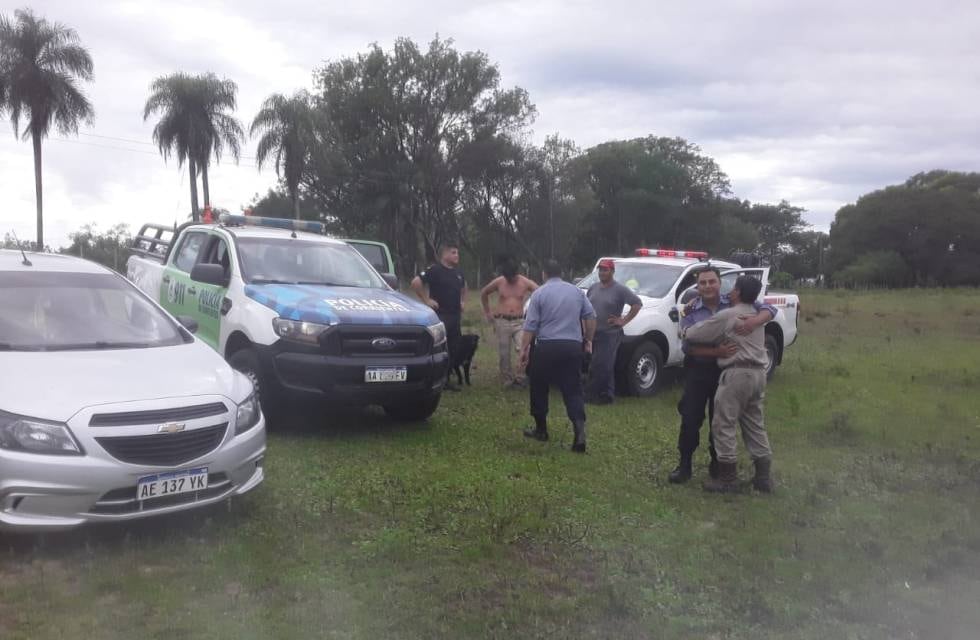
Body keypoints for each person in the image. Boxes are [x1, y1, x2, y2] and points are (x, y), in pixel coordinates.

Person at [667, 266, 776, 484]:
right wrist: (716, 352)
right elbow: (688, 346)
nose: (707, 286)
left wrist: (754, 321)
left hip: (727, 372)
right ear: (697, 286)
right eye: (702, 283)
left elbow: (769, 309)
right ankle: (684, 465)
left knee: (721, 420)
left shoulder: (733, 303)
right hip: (699, 370)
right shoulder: (690, 309)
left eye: (712, 281)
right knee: (690, 419)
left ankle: (719, 468)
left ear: (720, 284)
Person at [520, 260, 596, 453]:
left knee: (539, 387)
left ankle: (541, 430)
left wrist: (524, 349)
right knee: (573, 390)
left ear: (544, 274)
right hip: (571, 347)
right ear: (561, 273)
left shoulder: (539, 294)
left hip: (546, 347)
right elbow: (591, 316)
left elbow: (530, 325)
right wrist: (588, 340)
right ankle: (579, 435)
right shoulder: (577, 292)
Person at [585, 259, 642, 404]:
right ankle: (608, 395)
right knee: (604, 365)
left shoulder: (620, 289)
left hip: (610, 334)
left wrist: (623, 320)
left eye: (605, 270)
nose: (602, 273)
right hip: (593, 333)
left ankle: (593, 394)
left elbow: (637, 304)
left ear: (612, 272)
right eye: (600, 270)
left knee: (601, 364)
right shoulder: (593, 288)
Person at [411, 244, 467, 391]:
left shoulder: (458, 272)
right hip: (441, 315)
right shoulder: (435, 270)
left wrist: (462, 301)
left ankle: (446, 379)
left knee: (454, 348)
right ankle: (433, 378)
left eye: (457, 253)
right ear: (445, 255)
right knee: (439, 348)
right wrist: (426, 300)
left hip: (455, 316)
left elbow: (463, 287)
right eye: (453, 253)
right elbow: (416, 283)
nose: (457, 255)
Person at [480, 260, 539, 388]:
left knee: (523, 348)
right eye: (508, 278)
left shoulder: (525, 282)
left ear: (516, 274)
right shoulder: (499, 281)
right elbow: (484, 292)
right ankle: (507, 379)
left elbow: (540, 292)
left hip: (519, 321)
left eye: (512, 277)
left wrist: (535, 311)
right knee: (504, 353)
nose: (510, 280)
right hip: (502, 321)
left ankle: (521, 376)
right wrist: (488, 312)